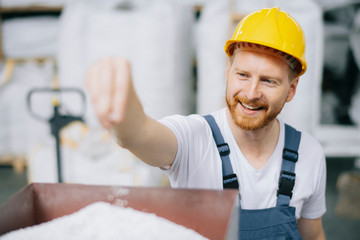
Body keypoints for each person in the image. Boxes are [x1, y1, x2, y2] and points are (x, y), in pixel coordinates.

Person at [86, 7, 326, 240]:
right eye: (242, 75)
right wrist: (123, 110)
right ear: (228, 72)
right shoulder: (194, 138)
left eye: (268, 81)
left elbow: (312, 235)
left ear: (291, 89)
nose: (251, 93)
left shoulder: (309, 154)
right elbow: (138, 134)